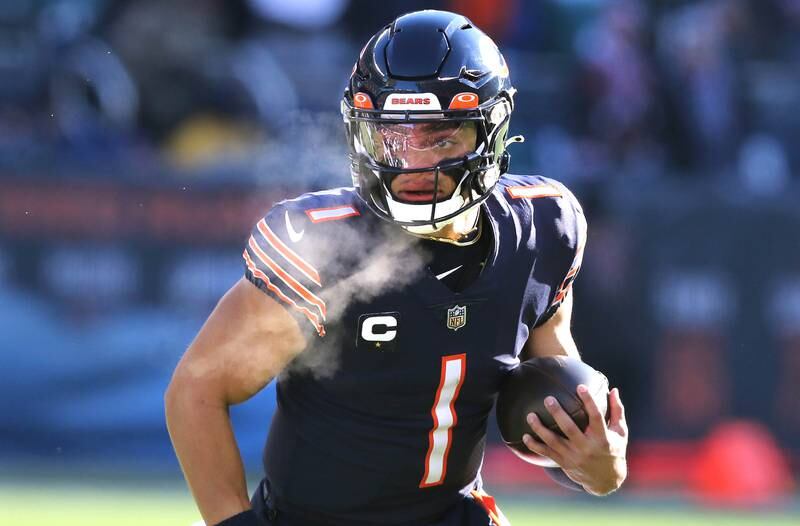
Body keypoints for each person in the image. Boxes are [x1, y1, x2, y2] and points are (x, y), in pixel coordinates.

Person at [165, 9, 629, 526]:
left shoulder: (543, 229)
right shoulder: (326, 247)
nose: (411, 161)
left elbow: (563, 405)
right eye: (392, 136)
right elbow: (197, 390)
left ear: (489, 134)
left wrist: (600, 466)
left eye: (439, 137)